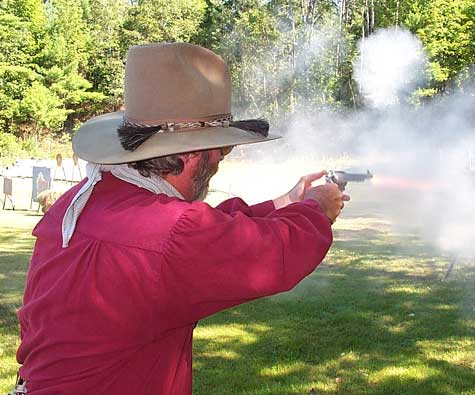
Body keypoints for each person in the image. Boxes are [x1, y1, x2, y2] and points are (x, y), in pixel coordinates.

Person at [14, 43, 348, 394]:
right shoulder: (171, 237)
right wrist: (318, 208)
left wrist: (288, 201)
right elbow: (271, 252)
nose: (221, 158)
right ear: (191, 153)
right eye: (222, 146)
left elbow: (197, 238)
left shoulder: (91, 200)